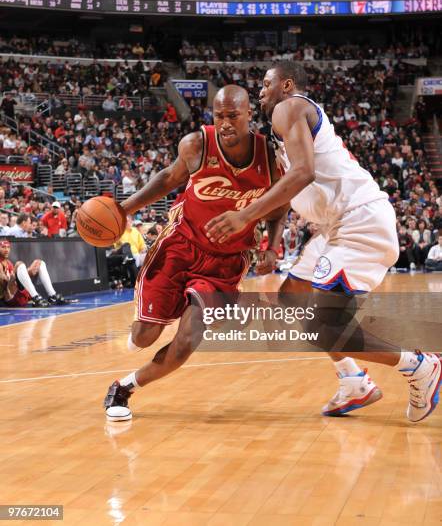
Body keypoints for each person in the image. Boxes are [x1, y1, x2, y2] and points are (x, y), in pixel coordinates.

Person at [205, 61, 441, 424]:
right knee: (291, 298)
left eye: (266, 84)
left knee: (325, 323)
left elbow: (304, 174)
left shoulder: (290, 107)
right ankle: (353, 381)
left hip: (358, 220)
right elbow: (289, 196)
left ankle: (419, 365)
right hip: (336, 226)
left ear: (286, 85)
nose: (261, 91)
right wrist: (271, 244)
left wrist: (244, 214)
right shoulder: (287, 127)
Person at [103, 85, 287, 421]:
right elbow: (168, 178)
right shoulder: (196, 144)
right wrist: (124, 209)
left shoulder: (272, 159)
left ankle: (124, 387)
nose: (226, 123)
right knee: (144, 336)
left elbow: (278, 211)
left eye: (233, 115)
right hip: (180, 246)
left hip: (226, 262)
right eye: (219, 116)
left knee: (188, 341)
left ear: (249, 114)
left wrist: (271, 249)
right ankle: (160, 313)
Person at [0, 240, 72, 307]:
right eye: (3, 247)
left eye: (8, 247)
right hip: (10, 297)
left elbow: (14, 278)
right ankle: (36, 298)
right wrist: (13, 277)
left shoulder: (8, 262)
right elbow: (4, 283)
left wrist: (26, 272)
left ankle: (52, 295)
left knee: (39, 263)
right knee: (19, 264)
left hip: (19, 293)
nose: (6, 250)